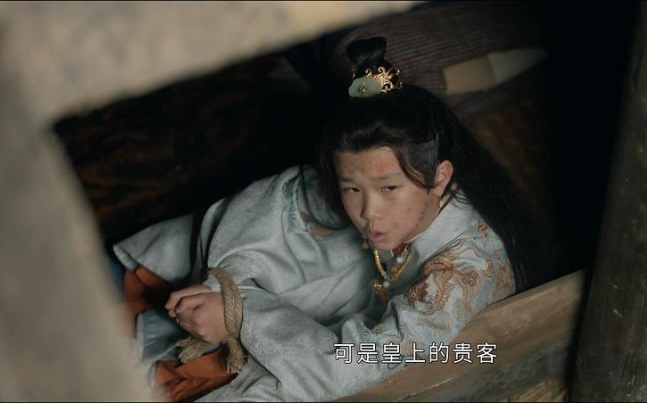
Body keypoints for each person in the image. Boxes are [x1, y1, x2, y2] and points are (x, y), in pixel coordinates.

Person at [113, 36, 545, 401]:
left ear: (440, 178)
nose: (368, 211)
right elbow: (278, 201)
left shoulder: (466, 271)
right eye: (352, 189)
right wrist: (225, 289)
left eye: (389, 189)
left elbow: (357, 363)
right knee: (187, 253)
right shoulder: (368, 191)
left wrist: (239, 313)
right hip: (357, 291)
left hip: (390, 348)